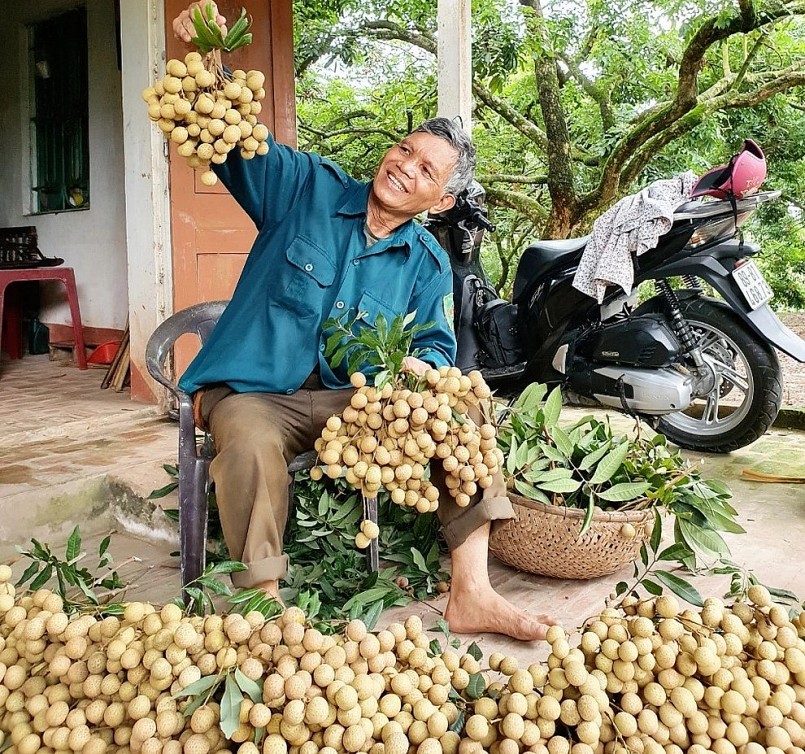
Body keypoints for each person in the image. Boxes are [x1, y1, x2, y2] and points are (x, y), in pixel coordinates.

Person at [172, 2, 555, 641]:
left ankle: (473, 591)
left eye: (427, 169)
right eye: (405, 149)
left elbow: (435, 346)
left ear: (445, 200)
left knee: (464, 415)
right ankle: (262, 605)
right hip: (259, 392)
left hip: (358, 403)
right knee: (244, 433)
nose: (405, 166)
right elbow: (235, 143)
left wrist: (422, 375)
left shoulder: (428, 263)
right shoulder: (306, 187)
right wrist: (210, 65)